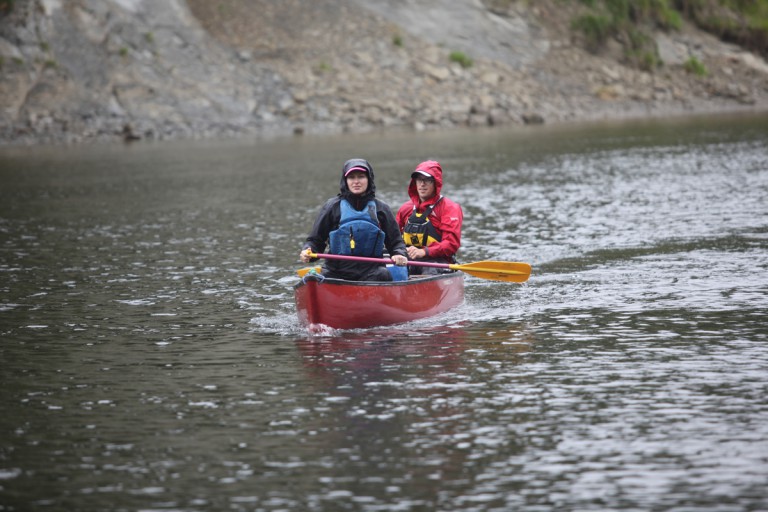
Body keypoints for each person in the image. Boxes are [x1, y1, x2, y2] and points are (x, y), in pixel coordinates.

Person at [299, 158, 408, 281]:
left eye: (361, 177)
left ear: (369, 179)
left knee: (383, 275)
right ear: (345, 181)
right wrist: (308, 250)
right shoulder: (332, 207)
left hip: (372, 271)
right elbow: (315, 240)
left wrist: (399, 254)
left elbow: (396, 243)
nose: (356, 181)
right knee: (319, 278)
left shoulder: (381, 209)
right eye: (351, 177)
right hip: (336, 272)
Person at [396, 160, 463, 275]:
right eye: (419, 179)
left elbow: (451, 244)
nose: (422, 184)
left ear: (435, 183)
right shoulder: (405, 209)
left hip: (437, 262)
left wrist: (424, 251)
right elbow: (393, 237)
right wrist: (398, 251)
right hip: (409, 260)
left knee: (429, 270)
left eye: (427, 180)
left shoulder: (449, 208)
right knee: (389, 270)